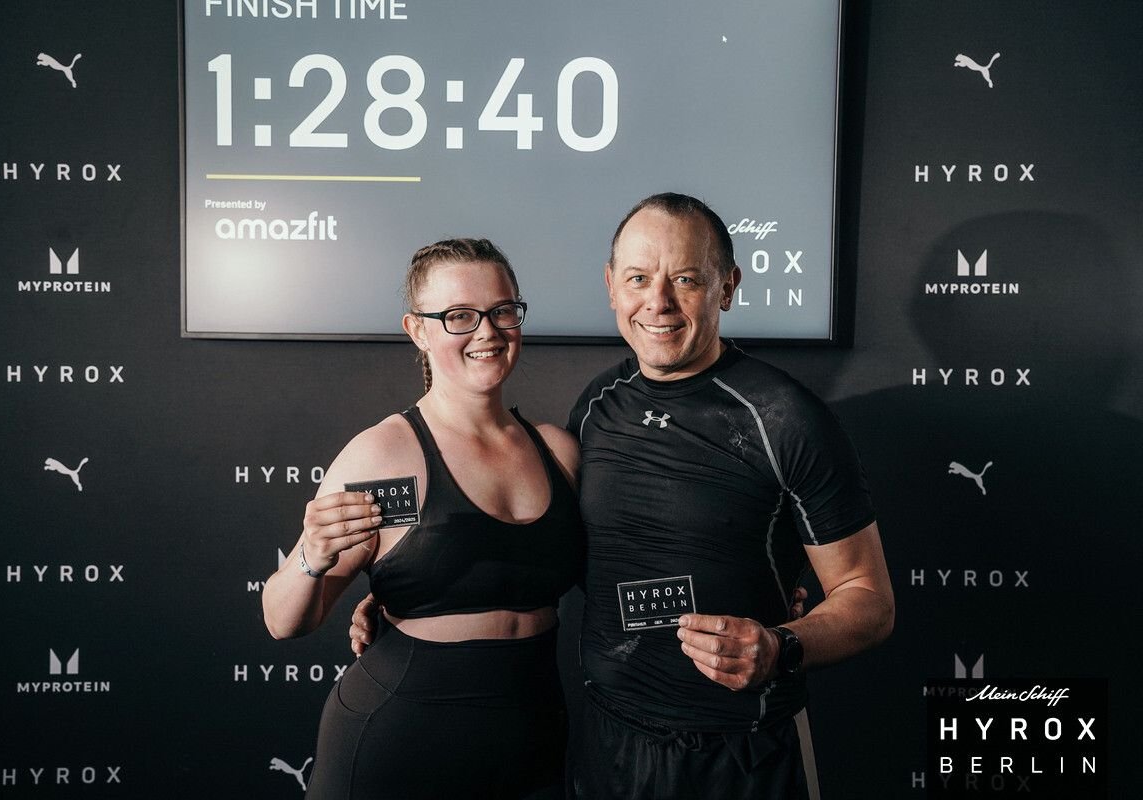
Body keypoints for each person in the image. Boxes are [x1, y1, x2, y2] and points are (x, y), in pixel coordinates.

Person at [351, 193, 894, 799]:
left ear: (728, 286)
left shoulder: (787, 419)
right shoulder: (598, 406)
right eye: (638, 278)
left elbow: (869, 600)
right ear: (612, 286)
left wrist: (781, 646)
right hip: (607, 748)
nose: (657, 303)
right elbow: (565, 548)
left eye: (685, 279)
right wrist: (427, 591)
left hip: (741, 752)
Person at [262, 238, 584, 799]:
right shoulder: (383, 455)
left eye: (502, 310)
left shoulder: (558, 450)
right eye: (459, 315)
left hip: (533, 739)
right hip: (402, 740)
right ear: (417, 329)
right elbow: (283, 620)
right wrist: (312, 558)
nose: (486, 331)